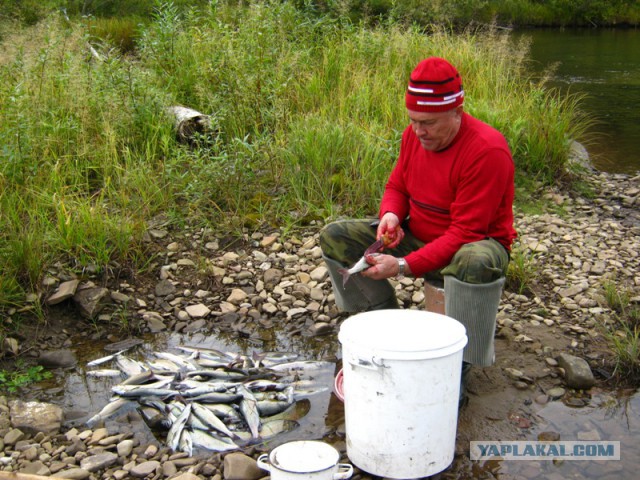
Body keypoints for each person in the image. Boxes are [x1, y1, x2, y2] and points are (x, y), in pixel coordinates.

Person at [320, 57, 517, 394]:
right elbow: (397, 185)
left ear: (457, 112)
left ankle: (461, 362)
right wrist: (391, 216)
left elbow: (465, 232)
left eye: (429, 123)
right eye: (413, 121)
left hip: (472, 247)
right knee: (335, 236)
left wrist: (400, 266)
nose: (419, 131)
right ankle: (380, 321)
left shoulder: (486, 150)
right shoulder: (414, 137)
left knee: (475, 259)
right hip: (420, 236)